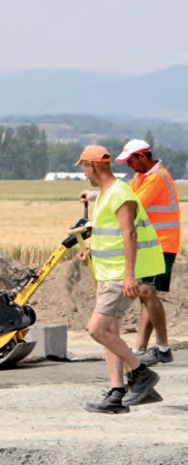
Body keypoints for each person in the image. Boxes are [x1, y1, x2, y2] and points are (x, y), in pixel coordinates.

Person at [75, 145, 165, 414]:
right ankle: (116, 394)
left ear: (90, 166)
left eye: (82, 167)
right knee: (110, 334)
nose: (83, 172)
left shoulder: (120, 193)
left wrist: (129, 276)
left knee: (97, 329)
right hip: (107, 271)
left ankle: (141, 372)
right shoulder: (106, 194)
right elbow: (111, 234)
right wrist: (91, 252)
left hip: (119, 275)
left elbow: (130, 234)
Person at [116, 139, 181, 366]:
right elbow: (125, 195)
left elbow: (133, 204)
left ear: (143, 156)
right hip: (151, 245)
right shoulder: (140, 177)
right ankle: (140, 348)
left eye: (130, 160)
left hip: (163, 244)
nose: (128, 166)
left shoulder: (157, 178)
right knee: (147, 295)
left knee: (145, 291)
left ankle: (163, 347)